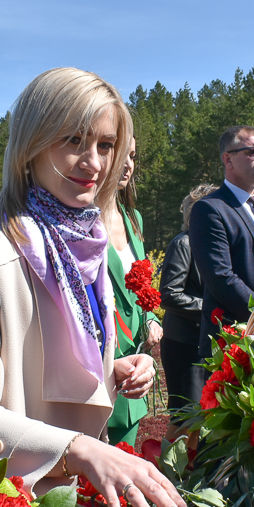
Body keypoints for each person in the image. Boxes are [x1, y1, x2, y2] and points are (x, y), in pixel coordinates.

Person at [0, 67, 188, 507]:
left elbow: (50, 372)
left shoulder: (87, 246)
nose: (93, 163)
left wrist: (111, 372)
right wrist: (76, 450)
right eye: (73, 140)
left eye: (105, 145)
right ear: (30, 145)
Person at [189, 125, 254, 357]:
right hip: (237, 342)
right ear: (228, 160)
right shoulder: (210, 209)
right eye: (253, 152)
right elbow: (221, 278)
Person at [103, 138, 161, 446]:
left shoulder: (133, 218)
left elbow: (141, 282)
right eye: (119, 154)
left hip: (134, 365)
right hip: (97, 364)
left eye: (133, 156)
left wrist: (151, 317)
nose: (128, 164)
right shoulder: (82, 224)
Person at [159, 184, 214, 441]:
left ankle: (191, 475)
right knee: (185, 419)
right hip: (185, 345)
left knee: (205, 418)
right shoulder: (183, 244)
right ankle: (162, 474)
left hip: (208, 344)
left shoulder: (213, 246)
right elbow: (169, 294)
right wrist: (211, 308)